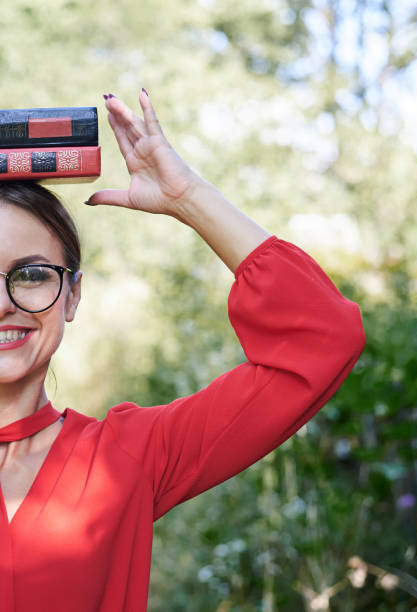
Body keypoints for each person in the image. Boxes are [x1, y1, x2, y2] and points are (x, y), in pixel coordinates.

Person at [0, 90, 366, 611]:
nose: (3, 305)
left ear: (73, 294)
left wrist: (187, 196)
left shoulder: (128, 458)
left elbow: (322, 339)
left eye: (31, 275)